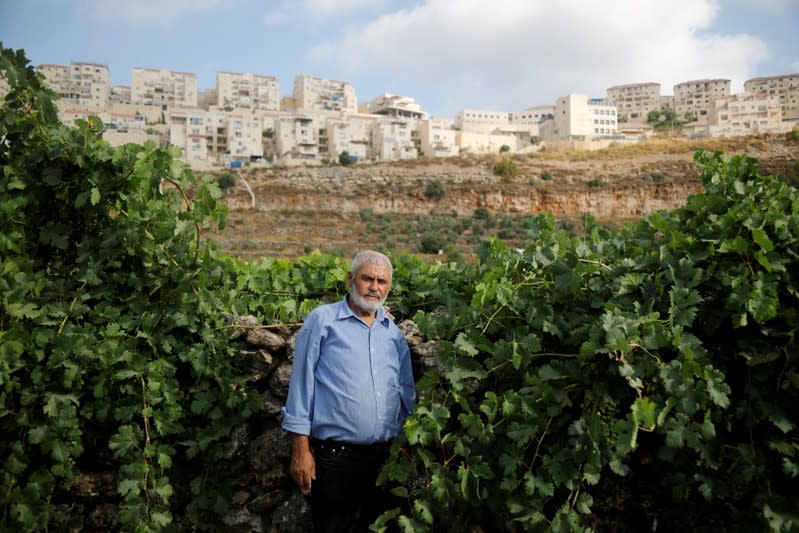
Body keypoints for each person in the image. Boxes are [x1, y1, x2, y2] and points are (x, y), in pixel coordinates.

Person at [281, 250, 417, 532]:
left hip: (385, 459)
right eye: (367, 278)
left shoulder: (392, 333)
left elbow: (405, 391)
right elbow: (301, 384)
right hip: (336, 458)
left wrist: (406, 440)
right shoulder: (322, 321)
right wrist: (300, 450)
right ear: (350, 279)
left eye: (382, 281)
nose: (374, 287)